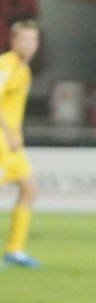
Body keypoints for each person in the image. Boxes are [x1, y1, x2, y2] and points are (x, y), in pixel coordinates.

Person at [1, 19, 39, 269]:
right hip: (3, 142)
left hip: (12, 146)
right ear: (13, 41)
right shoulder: (6, 65)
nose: (29, 44)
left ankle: (15, 250)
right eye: (23, 39)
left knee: (30, 189)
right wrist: (9, 133)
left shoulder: (23, 69)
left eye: (33, 39)